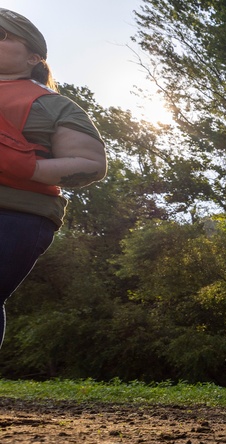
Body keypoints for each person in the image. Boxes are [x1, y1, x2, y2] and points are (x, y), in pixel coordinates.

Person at [0, 8, 107, 349]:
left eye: (2, 35)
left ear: (33, 56)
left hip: (15, 214)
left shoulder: (54, 106)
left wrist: (28, 168)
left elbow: (91, 163)